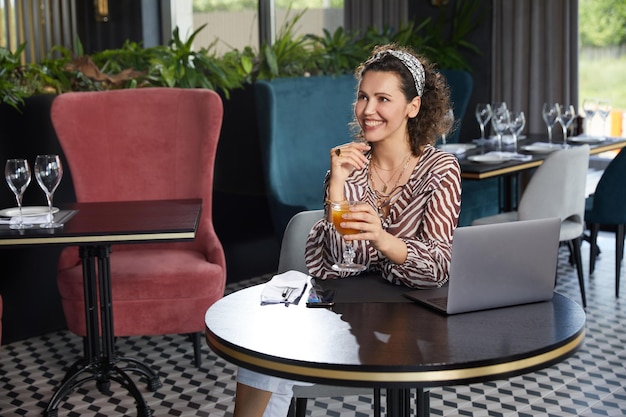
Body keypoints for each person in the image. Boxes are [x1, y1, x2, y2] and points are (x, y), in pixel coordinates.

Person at [233, 43, 461, 417]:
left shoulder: (441, 170)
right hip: (344, 312)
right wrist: (336, 188)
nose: (368, 110)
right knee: (263, 340)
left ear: (413, 107)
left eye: (383, 98)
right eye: (363, 97)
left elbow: (437, 267)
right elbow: (341, 262)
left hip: (413, 317)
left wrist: (383, 240)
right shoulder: (346, 166)